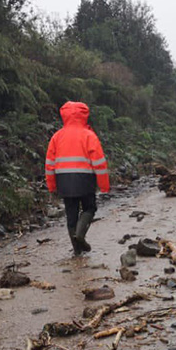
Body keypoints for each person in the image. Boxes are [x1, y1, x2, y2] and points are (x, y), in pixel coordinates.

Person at [44, 101, 110, 255]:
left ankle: (76, 250)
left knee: (71, 215)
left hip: (63, 180)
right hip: (85, 179)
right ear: (84, 115)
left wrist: (52, 186)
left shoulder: (57, 136)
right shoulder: (89, 135)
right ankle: (80, 235)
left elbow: (49, 164)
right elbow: (99, 163)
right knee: (89, 208)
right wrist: (104, 186)